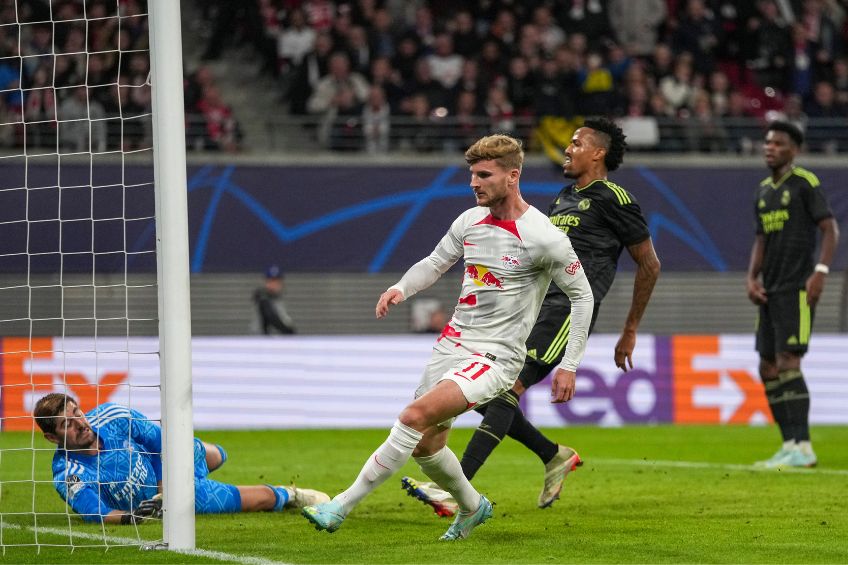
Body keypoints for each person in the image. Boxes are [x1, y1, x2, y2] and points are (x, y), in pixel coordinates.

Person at [301, 134, 594, 540]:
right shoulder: (469, 221)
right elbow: (436, 262)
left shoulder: (544, 237)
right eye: (472, 175)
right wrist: (401, 288)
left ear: (513, 176)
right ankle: (473, 507)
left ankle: (340, 506)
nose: (474, 183)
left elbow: (583, 296)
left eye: (484, 175)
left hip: (496, 356)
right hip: (452, 344)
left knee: (413, 417)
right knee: (426, 445)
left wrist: (570, 364)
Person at [402, 117, 661, 517]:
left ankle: (457, 489)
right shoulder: (562, 198)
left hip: (564, 311)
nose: (567, 149)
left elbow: (649, 264)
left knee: (507, 391)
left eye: (576, 143)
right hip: (530, 309)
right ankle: (552, 454)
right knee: (487, 392)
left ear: (599, 153)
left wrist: (630, 330)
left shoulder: (615, 198)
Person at [34, 393, 329, 524]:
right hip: (171, 501)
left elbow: (161, 442)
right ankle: (290, 494)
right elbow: (95, 513)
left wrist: (165, 486)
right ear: (52, 438)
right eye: (67, 424)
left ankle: (197, 458)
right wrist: (135, 516)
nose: (80, 423)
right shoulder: (69, 474)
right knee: (262, 499)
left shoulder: (113, 416)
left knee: (217, 454)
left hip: (169, 466)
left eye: (77, 412)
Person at [746, 121, 839, 468]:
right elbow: (760, 239)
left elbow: (830, 228)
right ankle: (789, 445)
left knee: (788, 360)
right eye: (768, 142)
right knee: (768, 366)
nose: (770, 148)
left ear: (794, 150)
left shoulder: (804, 183)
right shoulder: (762, 191)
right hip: (769, 290)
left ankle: (804, 447)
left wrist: (821, 271)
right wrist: (751, 277)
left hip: (797, 287)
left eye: (778, 143)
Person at [253, 265, 297, 335]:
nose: (274, 285)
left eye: (277, 282)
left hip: (278, 339)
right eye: (271, 281)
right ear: (266, 283)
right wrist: (288, 331)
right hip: (263, 339)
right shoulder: (263, 298)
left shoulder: (279, 299)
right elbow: (272, 317)